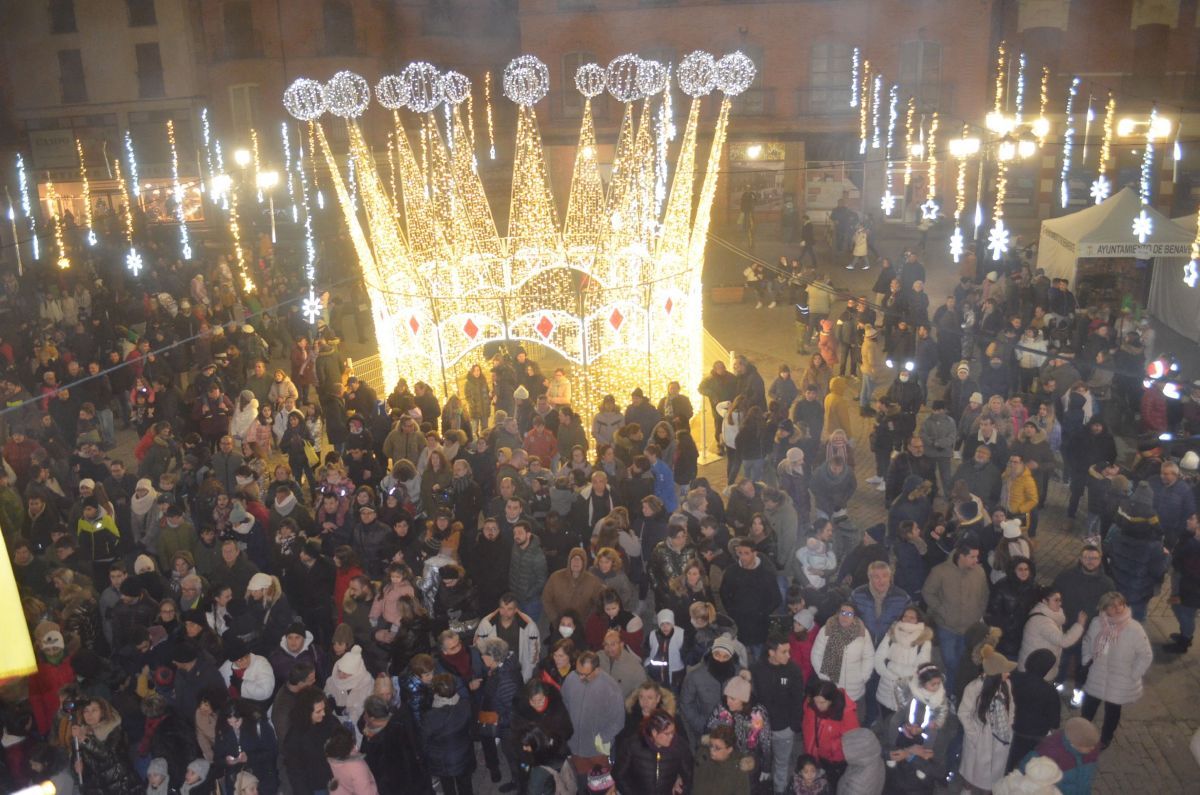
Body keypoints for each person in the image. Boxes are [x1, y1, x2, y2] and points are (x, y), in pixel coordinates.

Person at [1080, 591, 1152, 750]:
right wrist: (1087, 658)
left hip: (1120, 678)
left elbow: (1145, 655)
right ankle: (1080, 732)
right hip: (1098, 674)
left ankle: (1105, 738)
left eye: (1121, 604)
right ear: (1104, 608)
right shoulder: (1097, 623)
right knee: (1088, 707)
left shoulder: (1134, 628)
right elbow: (1088, 641)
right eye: (1113, 606)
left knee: (1112, 711)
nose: (1118, 608)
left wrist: (1134, 675)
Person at [921, 543, 989, 696]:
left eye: (977, 556)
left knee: (964, 664)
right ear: (961, 556)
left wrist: (979, 611)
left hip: (970, 628)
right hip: (947, 627)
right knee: (951, 662)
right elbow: (928, 592)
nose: (976, 560)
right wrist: (941, 610)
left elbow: (984, 595)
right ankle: (953, 692)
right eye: (972, 557)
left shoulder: (979, 572)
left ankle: (957, 692)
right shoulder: (940, 572)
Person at [750, 635, 805, 794]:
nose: (789, 655)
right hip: (760, 728)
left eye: (789, 651)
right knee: (760, 760)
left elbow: (797, 699)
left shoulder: (793, 670)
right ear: (771, 653)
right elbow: (753, 698)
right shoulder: (756, 670)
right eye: (784, 652)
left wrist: (793, 725)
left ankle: (779, 791)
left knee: (782, 763)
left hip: (784, 728)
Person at [958, 646, 1016, 792]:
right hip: (980, 738)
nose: (1008, 674)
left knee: (994, 772)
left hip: (1000, 737)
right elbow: (963, 713)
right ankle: (966, 789)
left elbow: (1011, 707)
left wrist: (1009, 724)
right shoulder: (974, 688)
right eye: (1005, 671)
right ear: (995, 674)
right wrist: (974, 735)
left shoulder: (1005, 685)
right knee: (973, 771)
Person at [613, 709, 693, 794]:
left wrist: (681, 789)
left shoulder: (680, 746)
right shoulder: (633, 745)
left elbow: (689, 775)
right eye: (667, 734)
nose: (672, 737)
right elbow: (619, 774)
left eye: (673, 732)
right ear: (654, 733)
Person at [420, 674, 475, 795]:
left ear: (435, 692)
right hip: (463, 754)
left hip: (442, 761)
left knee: (448, 786)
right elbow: (471, 729)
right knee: (465, 785)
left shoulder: (430, 716)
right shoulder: (465, 705)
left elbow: (424, 742)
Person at [800, 679, 859, 789]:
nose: (818, 706)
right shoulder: (811, 705)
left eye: (822, 702)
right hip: (817, 756)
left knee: (836, 784)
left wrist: (832, 747)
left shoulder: (845, 713)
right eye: (816, 701)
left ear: (831, 700)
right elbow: (807, 727)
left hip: (836, 760)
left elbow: (852, 740)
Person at [1168, 513, 1200, 654]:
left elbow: (1181, 554)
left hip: (1192, 586)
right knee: (1176, 606)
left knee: (1186, 611)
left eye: (1192, 519)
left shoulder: (1195, 543)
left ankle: (1185, 641)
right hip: (1183, 580)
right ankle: (1184, 634)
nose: (1188, 520)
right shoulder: (1190, 537)